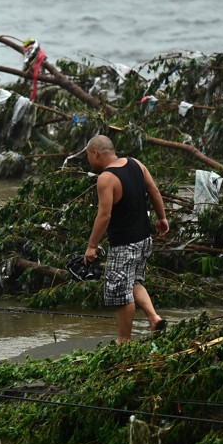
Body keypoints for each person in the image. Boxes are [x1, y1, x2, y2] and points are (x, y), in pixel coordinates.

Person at [83, 135, 169, 342]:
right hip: (143, 239)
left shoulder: (106, 178)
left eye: (88, 156)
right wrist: (162, 218)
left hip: (124, 245)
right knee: (134, 282)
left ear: (95, 153)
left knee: (122, 294)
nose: (89, 161)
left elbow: (104, 215)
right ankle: (154, 317)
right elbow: (154, 191)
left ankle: (124, 340)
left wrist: (92, 246)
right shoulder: (136, 164)